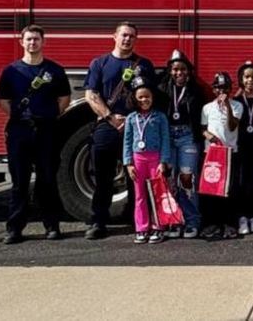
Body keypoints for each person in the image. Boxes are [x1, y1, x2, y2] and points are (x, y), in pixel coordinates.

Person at [0, 25, 71, 244]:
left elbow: (64, 99)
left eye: (36, 39)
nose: (32, 43)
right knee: (19, 182)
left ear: (43, 42)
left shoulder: (55, 70)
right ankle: (15, 229)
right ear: (22, 42)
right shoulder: (11, 71)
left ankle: (52, 226)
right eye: (28, 39)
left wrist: (46, 116)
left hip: (46, 130)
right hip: (19, 130)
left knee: (47, 179)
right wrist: (23, 116)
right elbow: (3, 101)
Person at [82, 21, 154, 240]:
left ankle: (138, 221)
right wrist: (111, 117)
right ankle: (98, 222)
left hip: (137, 128)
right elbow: (91, 95)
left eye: (132, 36)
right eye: (124, 35)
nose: (127, 39)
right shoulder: (100, 63)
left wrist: (133, 121)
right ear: (114, 36)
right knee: (103, 177)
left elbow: (150, 97)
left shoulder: (144, 65)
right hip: (107, 125)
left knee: (136, 176)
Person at [157, 49, 204, 239]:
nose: (179, 73)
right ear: (170, 70)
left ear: (188, 71)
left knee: (187, 179)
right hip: (168, 137)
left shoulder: (196, 91)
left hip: (187, 137)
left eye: (183, 69)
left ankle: (192, 221)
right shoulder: (162, 90)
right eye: (175, 69)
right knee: (169, 180)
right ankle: (174, 220)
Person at [122, 79, 173, 244]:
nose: (144, 100)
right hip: (138, 160)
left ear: (153, 97)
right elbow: (127, 141)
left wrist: (163, 161)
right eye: (141, 97)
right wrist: (128, 163)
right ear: (134, 99)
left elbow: (166, 139)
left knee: (157, 194)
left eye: (147, 97)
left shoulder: (160, 117)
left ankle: (158, 227)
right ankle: (142, 228)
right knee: (140, 195)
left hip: (155, 159)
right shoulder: (130, 118)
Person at [200, 72, 244, 240]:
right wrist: (207, 135)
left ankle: (229, 224)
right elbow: (202, 128)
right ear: (213, 89)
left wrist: (228, 107)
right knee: (212, 190)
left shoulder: (237, 106)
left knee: (230, 190)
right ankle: (213, 223)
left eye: (225, 88)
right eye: (218, 88)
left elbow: (233, 126)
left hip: (230, 152)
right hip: (212, 153)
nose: (222, 91)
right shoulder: (207, 108)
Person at [233, 60, 253, 235]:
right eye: (246, 77)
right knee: (241, 183)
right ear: (241, 79)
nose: (250, 81)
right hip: (241, 147)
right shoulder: (236, 101)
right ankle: (242, 218)